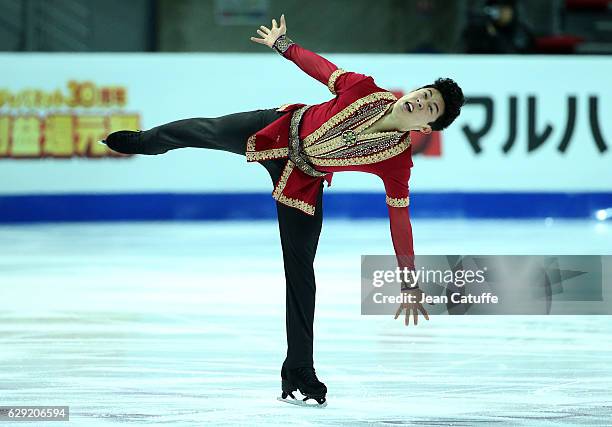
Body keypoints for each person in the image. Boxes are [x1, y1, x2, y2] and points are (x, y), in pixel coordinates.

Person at [102, 14, 465, 407]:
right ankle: (144, 141)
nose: (420, 101)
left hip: (304, 180)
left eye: (429, 107)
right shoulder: (365, 88)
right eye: (425, 93)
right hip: (277, 128)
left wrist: (408, 279)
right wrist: (284, 44)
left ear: (426, 127)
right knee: (202, 130)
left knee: (301, 275)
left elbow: (400, 219)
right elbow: (322, 69)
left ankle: (299, 370)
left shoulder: (397, 161)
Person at [461, 0, 535, 54]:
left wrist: (495, 36)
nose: (501, 13)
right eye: (497, 9)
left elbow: (515, 57)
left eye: (504, 9)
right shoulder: (483, 28)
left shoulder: (520, 33)